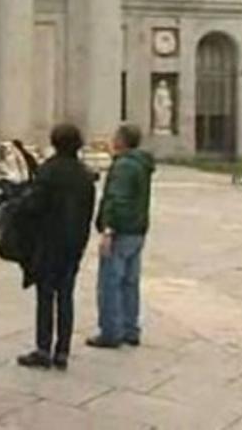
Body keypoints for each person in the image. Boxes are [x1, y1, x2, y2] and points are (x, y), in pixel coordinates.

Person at [14, 124, 96, 370]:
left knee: (46, 295)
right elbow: (88, 212)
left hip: (48, 243)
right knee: (66, 296)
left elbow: (33, 206)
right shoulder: (85, 175)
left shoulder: (49, 171)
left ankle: (43, 348)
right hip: (73, 244)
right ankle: (62, 350)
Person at [88, 124, 155, 349]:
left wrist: (108, 229)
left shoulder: (123, 166)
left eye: (115, 136)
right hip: (137, 230)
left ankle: (110, 331)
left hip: (121, 230)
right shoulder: (141, 164)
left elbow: (117, 199)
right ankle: (130, 328)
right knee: (130, 282)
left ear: (122, 141)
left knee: (110, 282)